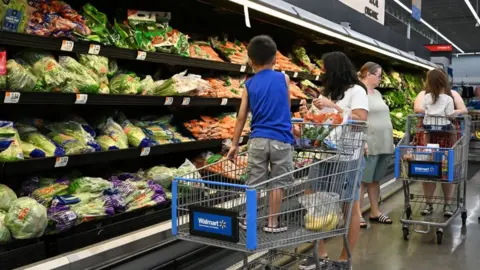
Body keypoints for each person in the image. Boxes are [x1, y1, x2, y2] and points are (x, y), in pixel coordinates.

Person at [299, 51, 368, 270]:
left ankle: (344, 258)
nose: (322, 73)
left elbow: (360, 119)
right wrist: (306, 114)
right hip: (324, 154)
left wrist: (335, 107)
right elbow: (321, 122)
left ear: (335, 70)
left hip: (348, 156)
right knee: (313, 200)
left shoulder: (357, 91)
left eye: (326, 69)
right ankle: (319, 252)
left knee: (350, 207)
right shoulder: (327, 92)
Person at [227, 35, 293, 233]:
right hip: (281, 139)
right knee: (277, 183)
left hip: (258, 139)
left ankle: (250, 220)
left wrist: (234, 145)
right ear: (274, 59)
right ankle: (272, 224)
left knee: (254, 182)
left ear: (250, 61)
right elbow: (287, 108)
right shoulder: (284, 78)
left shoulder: (248, 85)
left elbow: (240, 118)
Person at [413, 68, 468, 216]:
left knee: (447, 169)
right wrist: (439, 114)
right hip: (435, 134)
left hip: (444, 138)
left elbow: (464, 109)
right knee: (429, 169)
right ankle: (429, 203)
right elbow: (417, 108)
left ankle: (447, 204)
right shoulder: (424, 95)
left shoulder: (452, 95)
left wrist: (449, 112)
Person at [357, 62, 394, 228]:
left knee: (375, 179)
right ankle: (356, 215)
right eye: (378, 75)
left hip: (384, 142)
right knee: (363, 180)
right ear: (368, 74)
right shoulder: (359, 92)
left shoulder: (377, 93)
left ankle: (375, 211)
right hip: (369, 142)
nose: (380, 79)